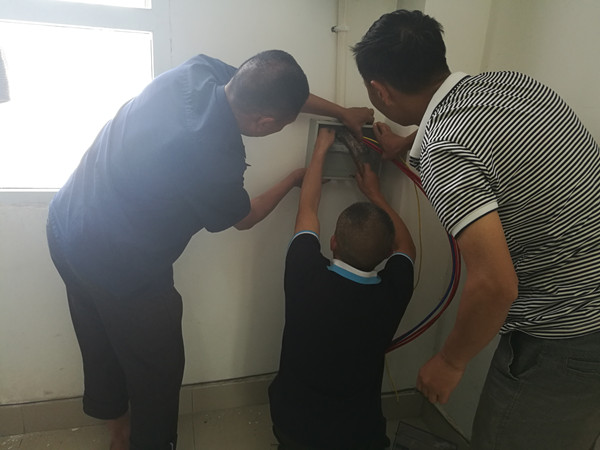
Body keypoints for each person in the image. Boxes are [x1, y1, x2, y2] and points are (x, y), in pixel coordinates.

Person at [46, 50, 374, 450]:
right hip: (121, 265)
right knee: (158, 368)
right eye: (283, 124)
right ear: (264, 122)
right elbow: (244, 217)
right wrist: (292, 179)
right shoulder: (214, 157)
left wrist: (341, 112)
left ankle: (119, 431)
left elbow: (278, 88)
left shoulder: (196, 72)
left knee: (97, 338)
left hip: (67, 224)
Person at [351, 9, 600, 450]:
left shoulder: (445, 152)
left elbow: (495, 284)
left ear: (378, 90)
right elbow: (475, 131)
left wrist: (449, 362)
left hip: (567, 334)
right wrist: (404, 143)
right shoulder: (511, 83)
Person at [268, 127, 416, 450]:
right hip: (359, 437)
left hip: (292, 428)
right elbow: (407, 248)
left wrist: (320, 148)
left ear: (333, 242)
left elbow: (307, 209)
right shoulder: (394, 291)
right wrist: (375, 193)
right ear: (387, 254)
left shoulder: (304, 273)